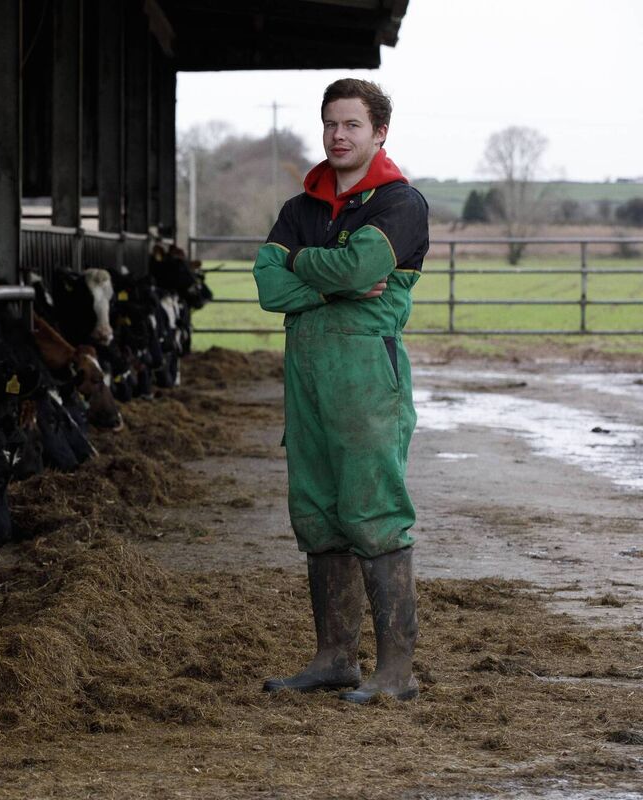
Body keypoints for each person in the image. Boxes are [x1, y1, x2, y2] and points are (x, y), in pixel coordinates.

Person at [252, 78, 428, 703]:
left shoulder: (399, 203)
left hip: (364, 379)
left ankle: (396, 673)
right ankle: (334, 658)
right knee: (319, 514)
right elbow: (269, 286)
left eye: (352, 125)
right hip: (306, 380)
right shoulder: (302, 206)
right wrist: (328, 277)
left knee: (372, 512)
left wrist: (308, 266)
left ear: (379, 132)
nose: (338, 135)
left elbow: (363, 268)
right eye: (330, 123)